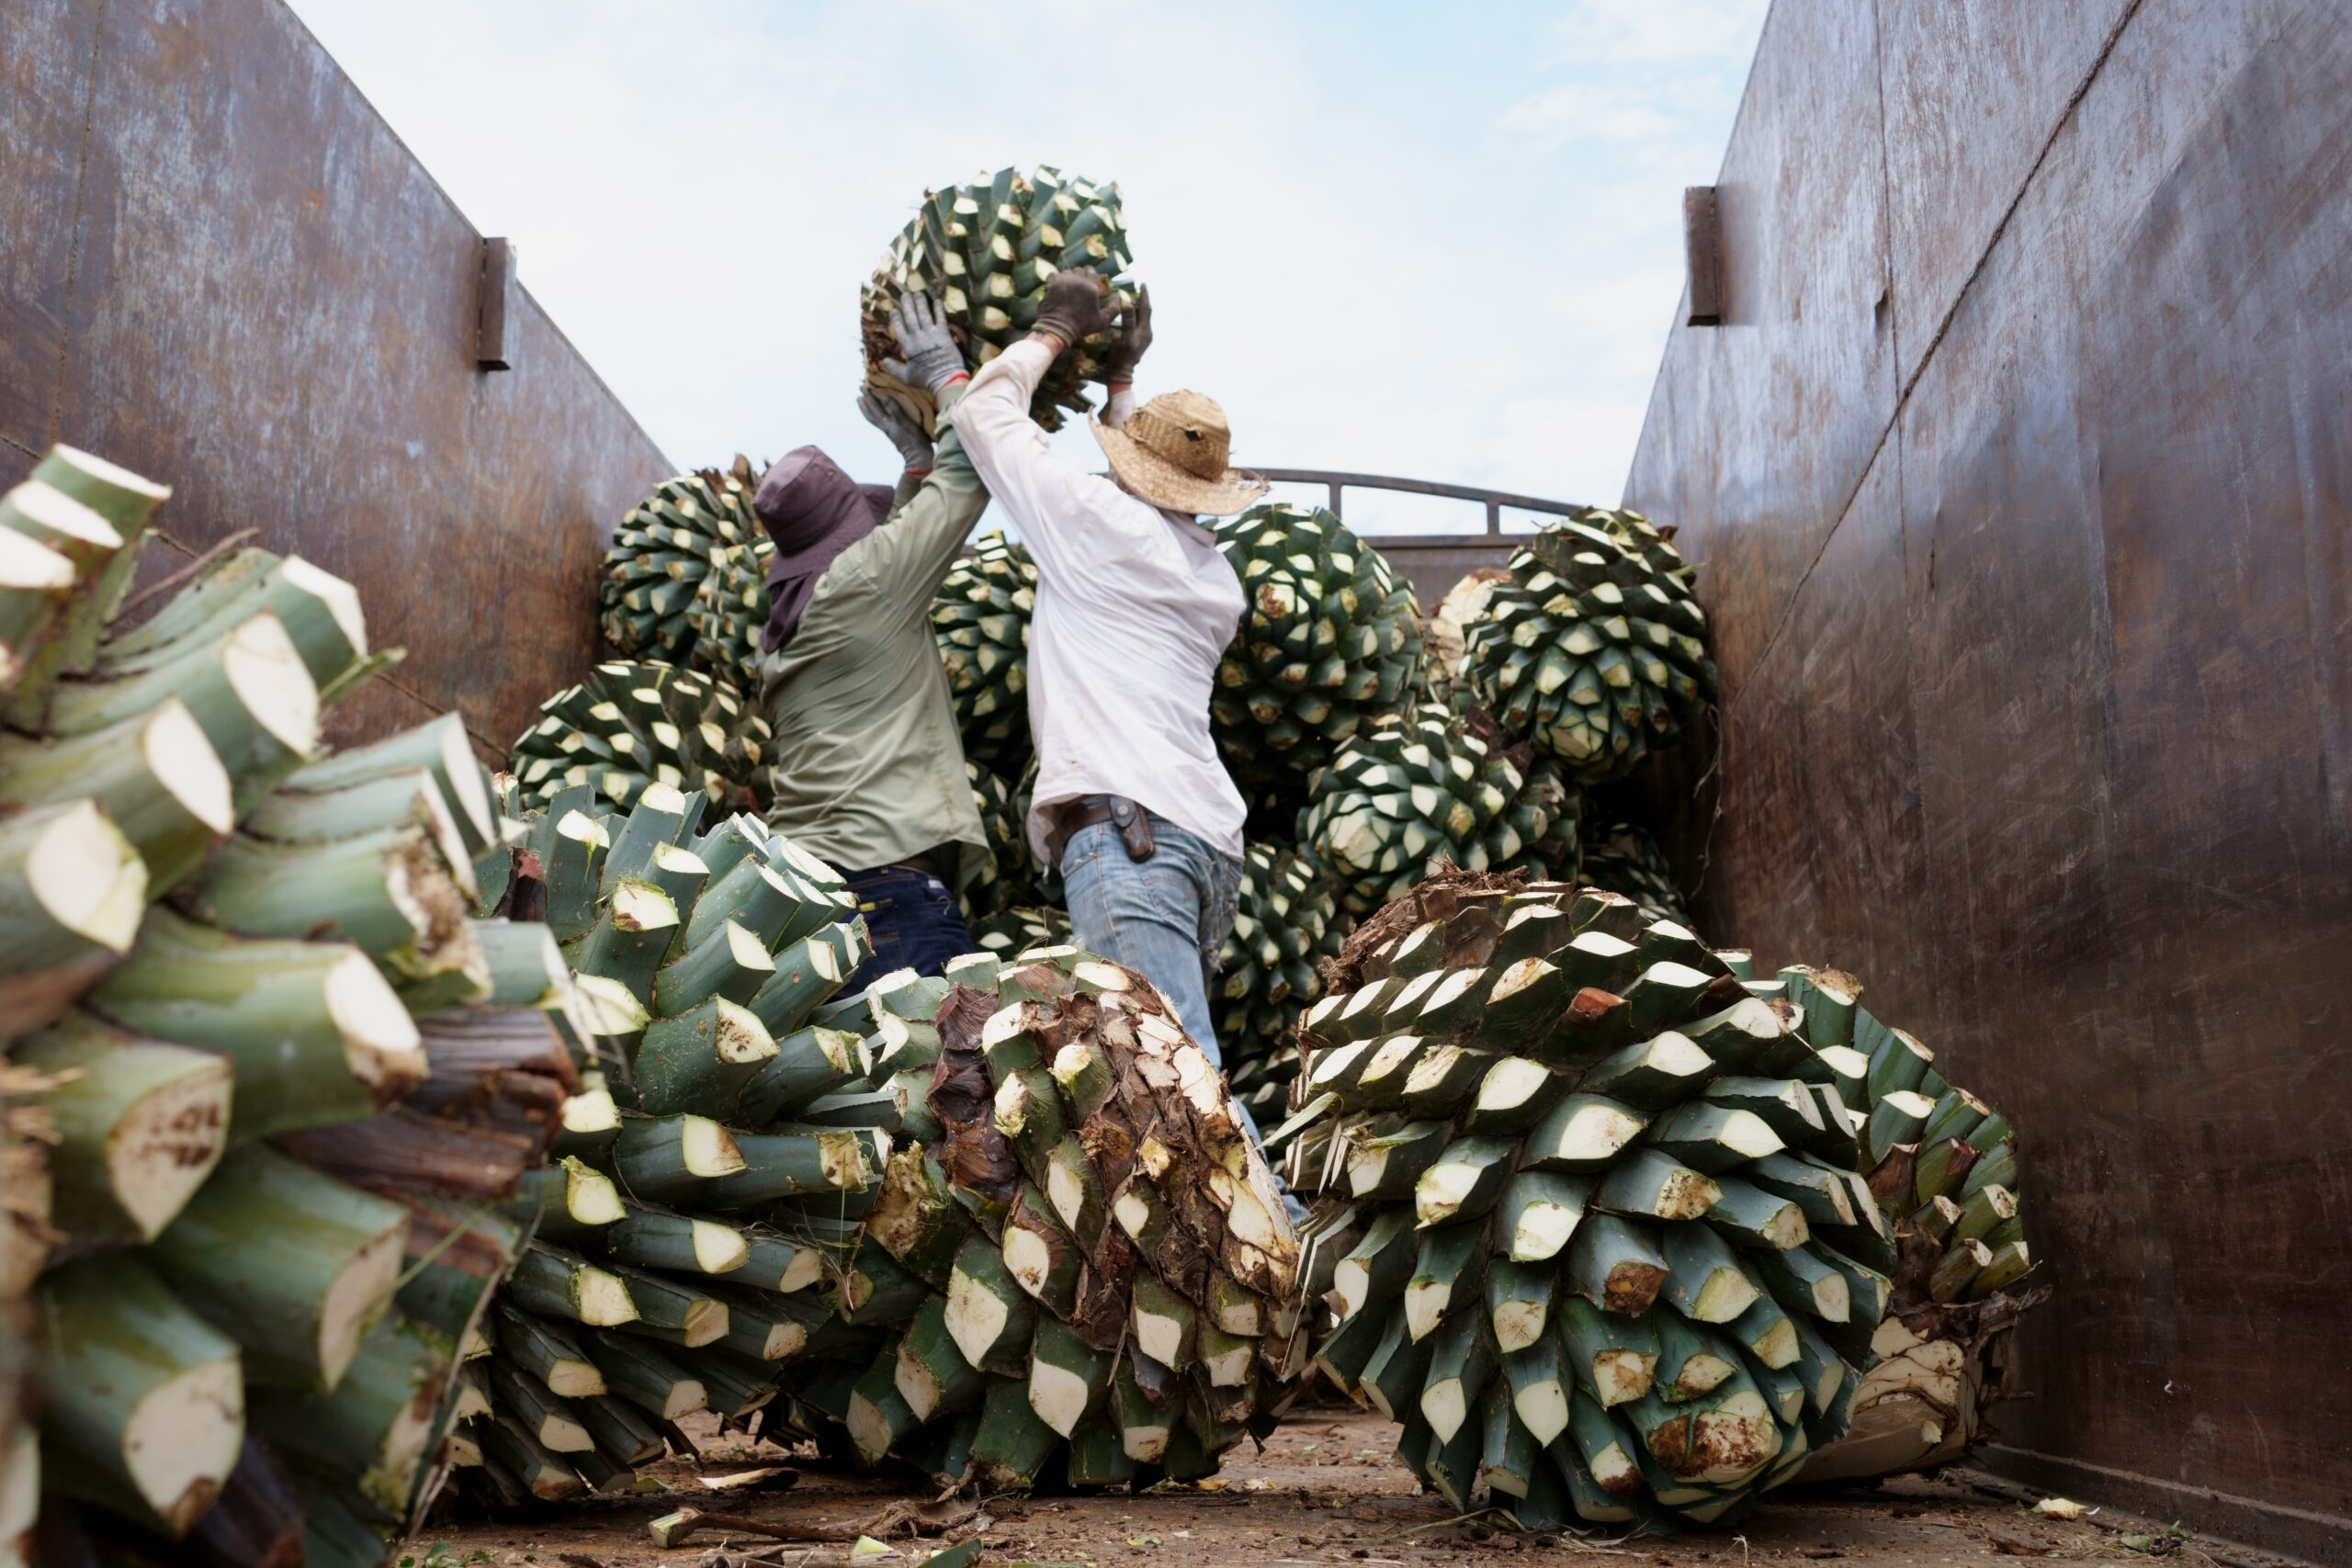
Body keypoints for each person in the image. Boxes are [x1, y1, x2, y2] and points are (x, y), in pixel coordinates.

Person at [951, 275, 1269, 1086]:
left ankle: (1282, 1216)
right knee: (1177, 1071)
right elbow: (1148, 495)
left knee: (1176, 1088)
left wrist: (1053, 331)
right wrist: (1122, 387)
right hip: (1199, 843)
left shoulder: (1100, 525)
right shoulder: (1213, 578)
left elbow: (984, 415)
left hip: (1130, 841)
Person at [753, 292, 991, 989]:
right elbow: (972, 476)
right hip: (889, 905)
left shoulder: (798, 619)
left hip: (806, 905)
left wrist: (916, 462)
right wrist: (948, 377)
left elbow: (903, 559)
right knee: (937, 1091)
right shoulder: (862, 586)